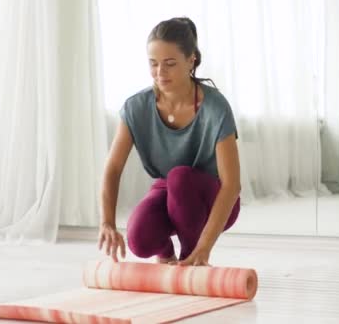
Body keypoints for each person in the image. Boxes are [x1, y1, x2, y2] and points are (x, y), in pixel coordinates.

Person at [97, 17, 241, 266]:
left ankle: (191, 257)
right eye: (153, 64)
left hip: (214, 198)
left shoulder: (216, 108)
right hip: (171, 191)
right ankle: (167, 257)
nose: (160, 73)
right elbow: (113, 168)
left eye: (170, 64)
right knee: (139, 239)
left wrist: (204, 247)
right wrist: (107, 222)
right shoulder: (136, 108)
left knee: (180, 178)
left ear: (191, 60)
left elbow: (231, 186)